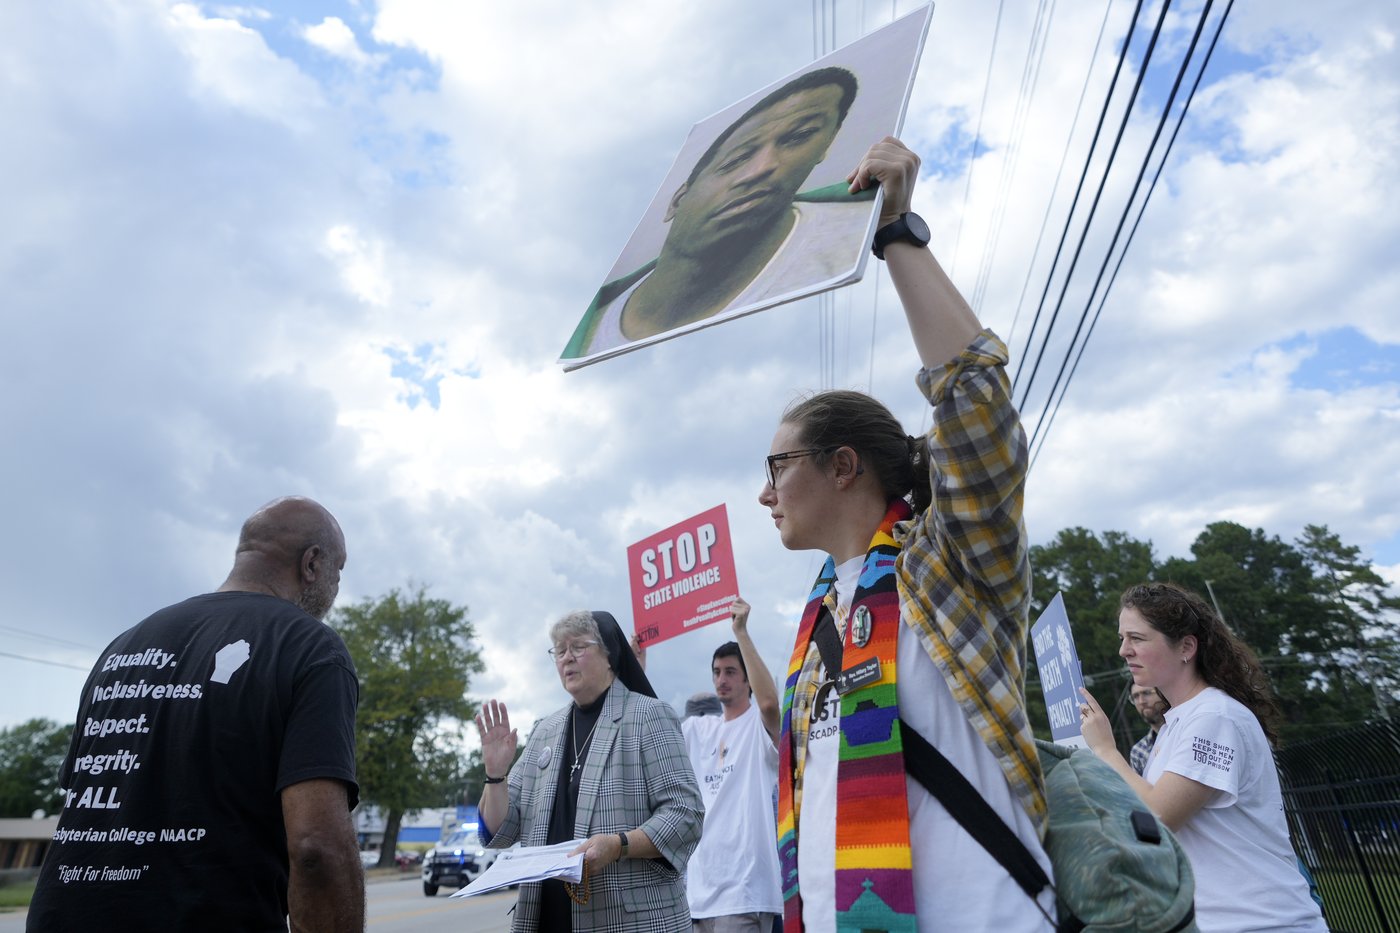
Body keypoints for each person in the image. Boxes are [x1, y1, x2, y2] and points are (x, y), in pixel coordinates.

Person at [758, 137, 1055, 932]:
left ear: (843, 465)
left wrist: (897, 233)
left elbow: (977, 406)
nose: (763, 493)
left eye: (776, 465)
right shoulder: (817, 618)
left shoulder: (950, 560)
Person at [27, 496, 363, 933]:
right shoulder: (308, 646)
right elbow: (316, 847)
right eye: (339, 572)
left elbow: (87, 803)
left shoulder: (123, 647)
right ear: (313, 563)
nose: (336, 588)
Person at [562, 66, 874, 359]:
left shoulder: (854, 234)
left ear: (825, 147)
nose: (761, 169)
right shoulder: (592, 333)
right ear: (676, 201)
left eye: (798, 138)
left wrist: (897, 229)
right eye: (735, 160)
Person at [1079, 583, 1326, 932]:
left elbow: (1159, 816)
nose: (1124, 651)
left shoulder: (1215, 716)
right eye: (1123, 638)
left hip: (1263, 922)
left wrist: (1105, 750)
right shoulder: (1175, 724)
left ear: (1186, 647)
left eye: (1137, 638)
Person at [475, 610, 703, 932]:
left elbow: (685, 815)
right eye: (559, 650)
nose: (567, 658)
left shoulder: (649, 716)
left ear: (609, 656)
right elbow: (501, 831)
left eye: (578, 647)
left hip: (626, 921)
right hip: (546, 918)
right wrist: (495, 775)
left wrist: (618, 844)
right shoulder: (545, 730)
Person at [683, 597, 784, 932]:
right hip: (697, 895)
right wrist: (635, 667)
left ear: (747, 680)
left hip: (745, 893)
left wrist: (741, 632)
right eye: (716, 672)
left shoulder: (757, 725)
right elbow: (652, 731)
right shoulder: (699, 730)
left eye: (730, 671)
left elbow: (769, 703)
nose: (721, 679)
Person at [1129, 685, 1169, 775]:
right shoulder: (1138, 751)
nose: (1141, 701)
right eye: (1135, 696)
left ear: (1163, 693)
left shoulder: (1186, 731)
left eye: (1147, 693)